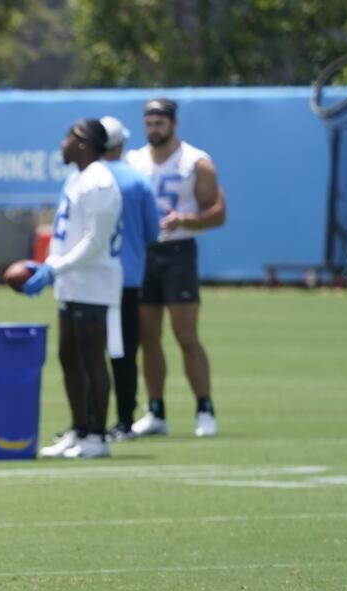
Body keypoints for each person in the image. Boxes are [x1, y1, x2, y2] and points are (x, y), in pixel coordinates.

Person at [125, 98, 226, 438]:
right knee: (147, 335)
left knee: (186, 335)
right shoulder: (134, 161)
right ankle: (156, 410)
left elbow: (218, 212)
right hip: (145, 253)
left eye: (160, 123)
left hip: (179, 252)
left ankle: (204, 407)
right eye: (149, 123)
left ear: (173, 124)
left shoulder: (195, 162)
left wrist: (186, 219)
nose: (154, 129)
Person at [23, 119, 123, 459]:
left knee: (92, 358)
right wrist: (52, 265)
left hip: (93, 283)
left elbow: (96, 241)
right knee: (69, 357)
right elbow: (67, 234)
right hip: (72, 283)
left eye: (68, 137)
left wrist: (54, 268)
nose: (62, 143)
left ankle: (98, 436)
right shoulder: (78, 178)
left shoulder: (99, 182)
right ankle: (79, 430)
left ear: (83, 142)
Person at [99, 116, 160, 441]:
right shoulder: (137, 181)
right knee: (123, 354)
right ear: (120, 143)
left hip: (90, 280)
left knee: (88, 353)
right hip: (127, 279)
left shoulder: (83, 178)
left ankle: (89, 421)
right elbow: (153, 231)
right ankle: (124, 419)